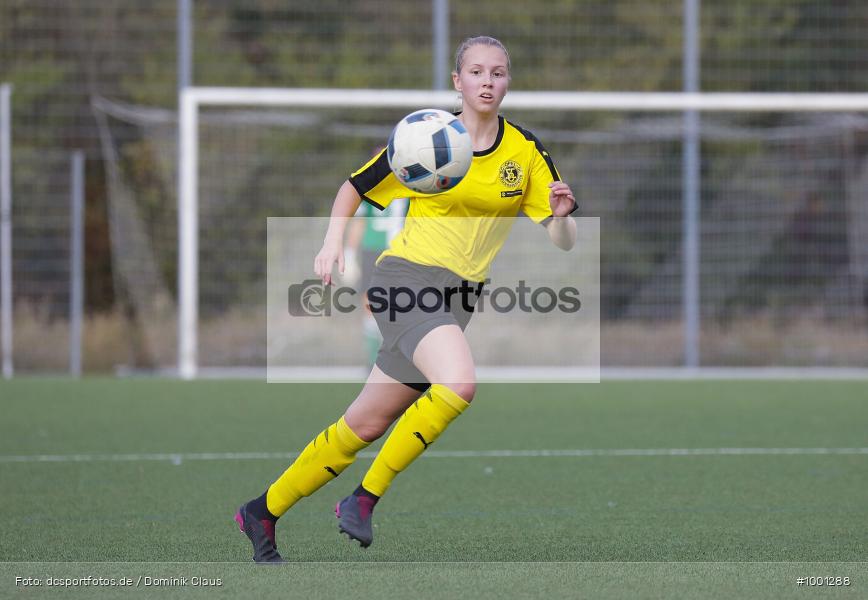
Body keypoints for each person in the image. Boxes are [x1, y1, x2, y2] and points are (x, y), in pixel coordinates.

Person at [235, 35, 578, 563]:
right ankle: (363, 500)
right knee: (459, 383)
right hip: (405, 281)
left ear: (508, 81)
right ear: (456, 81)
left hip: (458, 301)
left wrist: (560, 217)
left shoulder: (526, 153)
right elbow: (355, 186)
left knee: (364, 426)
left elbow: (562, 241)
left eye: (498, 73)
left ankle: (261, 511)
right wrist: (331, 242)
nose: (488, 82)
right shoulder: (428, 137)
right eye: (477, 72)